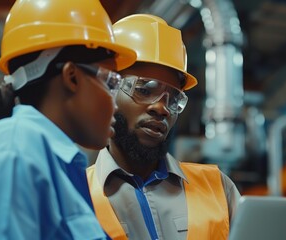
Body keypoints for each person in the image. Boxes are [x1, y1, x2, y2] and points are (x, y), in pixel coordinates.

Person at [0, 0, 136, 239]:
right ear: (71, 76)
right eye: (112, 82)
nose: (116, 103)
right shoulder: (15, 153)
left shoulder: (52, 163)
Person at [87, 14, 241, 240]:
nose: (162, 108)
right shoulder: (75, 193)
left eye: (172, 99)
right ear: (109, 90)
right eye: (144, 89)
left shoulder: (217, 187)